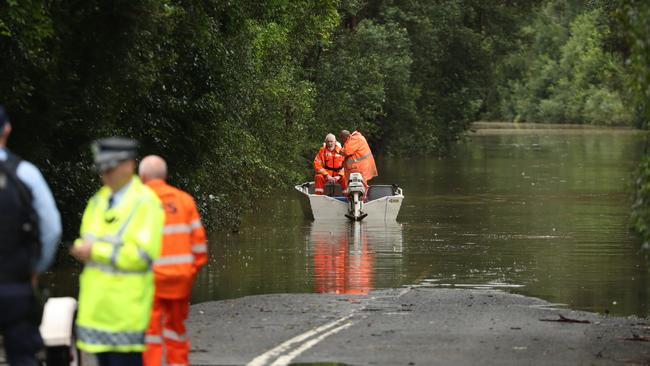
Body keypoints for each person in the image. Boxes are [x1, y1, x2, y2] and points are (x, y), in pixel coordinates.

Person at [70, 137, 164, 366]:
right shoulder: (98, 200)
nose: (105, 173)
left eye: (110, 167)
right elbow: (90, 239)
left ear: (129, 164)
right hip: (96, 314)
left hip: (125, 316)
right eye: (102, 168)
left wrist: (96, 251)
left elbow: (142, 255)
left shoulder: (145, 202)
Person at [0, 105, 62, 365]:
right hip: (14, 282)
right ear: (7, 128)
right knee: (23, 354)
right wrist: (34, 268)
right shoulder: (25, 173)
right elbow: (51, 229)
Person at [139, 155, 207, 366]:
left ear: (142, 177)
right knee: (175, 331)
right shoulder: (184, 201)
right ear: (165, 176)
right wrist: (188, 273)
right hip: (179, 280)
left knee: (150, 333)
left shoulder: (134, 203)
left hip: (148, 282)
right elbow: (199, 247)